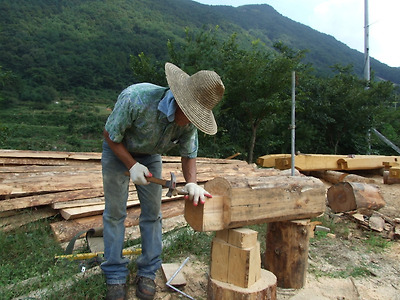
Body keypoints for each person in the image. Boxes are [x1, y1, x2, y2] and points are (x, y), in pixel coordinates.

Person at [101, 62, 225, 300]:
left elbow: (189, 154)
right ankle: (115, 274)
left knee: (152, 214)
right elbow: (110, 134)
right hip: (118, 151)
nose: (190, 121)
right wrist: (131, 165)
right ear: (179, 101)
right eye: (189, 114)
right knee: (115, 213)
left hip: (150, 156)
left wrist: (191, 182)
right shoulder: (135, 98)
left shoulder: (190, 123)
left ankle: (147, 271)